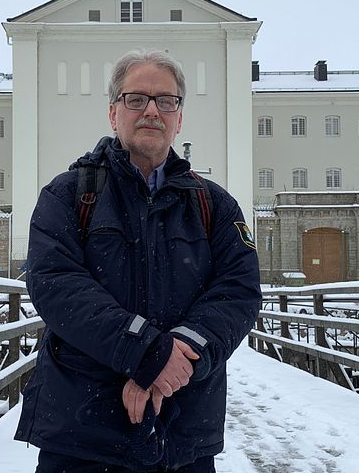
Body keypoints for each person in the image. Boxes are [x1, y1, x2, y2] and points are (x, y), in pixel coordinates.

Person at [15, 49, 262, 472]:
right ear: (114, 113)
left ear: (178, 117)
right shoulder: (68, 195)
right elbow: (55, 285)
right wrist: (148, 353)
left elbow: (238, 291)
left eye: (166, 101)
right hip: (83, 436)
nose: (152, 110)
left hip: (182, 434)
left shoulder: (215, 205)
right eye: (136, 99)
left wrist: (180, 355)